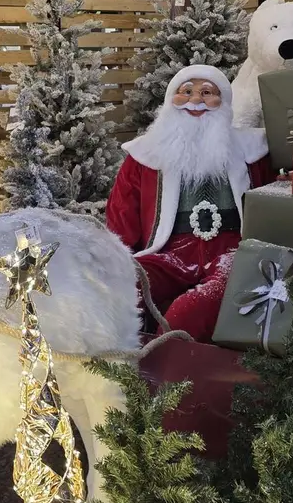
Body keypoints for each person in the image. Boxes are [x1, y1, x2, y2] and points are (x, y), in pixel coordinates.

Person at [107, 64, 274, 341]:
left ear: (224, 103)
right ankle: (114, 368)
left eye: (207, 92)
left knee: (188, 312)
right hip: (168, 254)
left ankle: (164, 373)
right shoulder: (144, 156)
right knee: (124, 287)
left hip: (231, 253)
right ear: (171, 99)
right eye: (186, 92)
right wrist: (117, 260)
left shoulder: (253, 152)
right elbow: (121, 220)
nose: (196, 100)